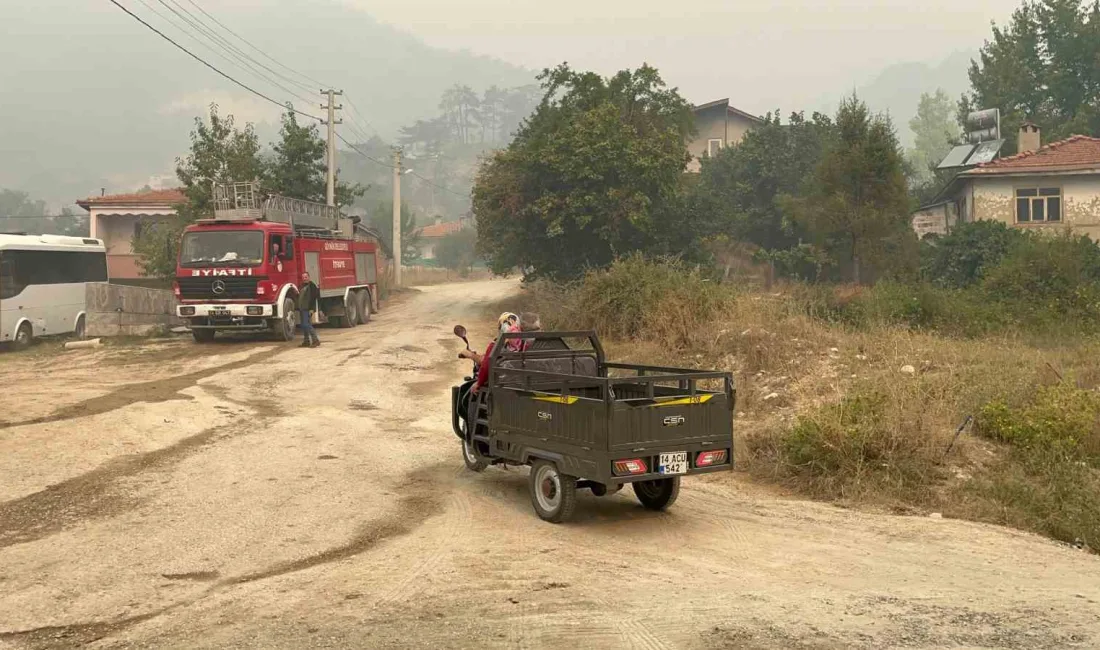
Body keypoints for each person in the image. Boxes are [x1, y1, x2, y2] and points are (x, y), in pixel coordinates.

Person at [297, 271, 320, 348]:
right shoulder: (302, 286)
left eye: (306, 277)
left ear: (309, 277)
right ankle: (306, 341)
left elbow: (314, 299)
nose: (304, 279)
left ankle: (315, 340)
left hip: (307, 309)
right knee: (304, 325)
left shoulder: (312, 286)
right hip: (302, 309)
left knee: (307, 324)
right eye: (303, 277)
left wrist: (311, 309)